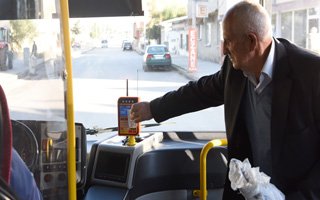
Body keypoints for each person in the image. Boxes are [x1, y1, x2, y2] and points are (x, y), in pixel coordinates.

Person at [130, 1, 320, 199]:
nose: (223, 50)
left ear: (251, 42)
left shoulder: (312, 74)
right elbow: (199, 92)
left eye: (228, 41)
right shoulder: (235, 71)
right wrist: (153, 109)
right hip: (247, 193)